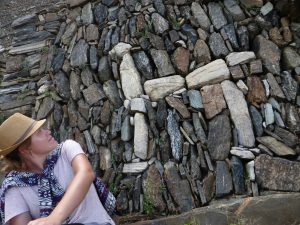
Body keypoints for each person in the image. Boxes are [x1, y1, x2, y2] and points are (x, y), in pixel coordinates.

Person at [0, 113, 116, 225]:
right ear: (25, 149)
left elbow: (85, 173)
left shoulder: (68, 149)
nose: (48, 132)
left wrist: (54, 219)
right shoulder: (14, 186)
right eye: (39, 132)